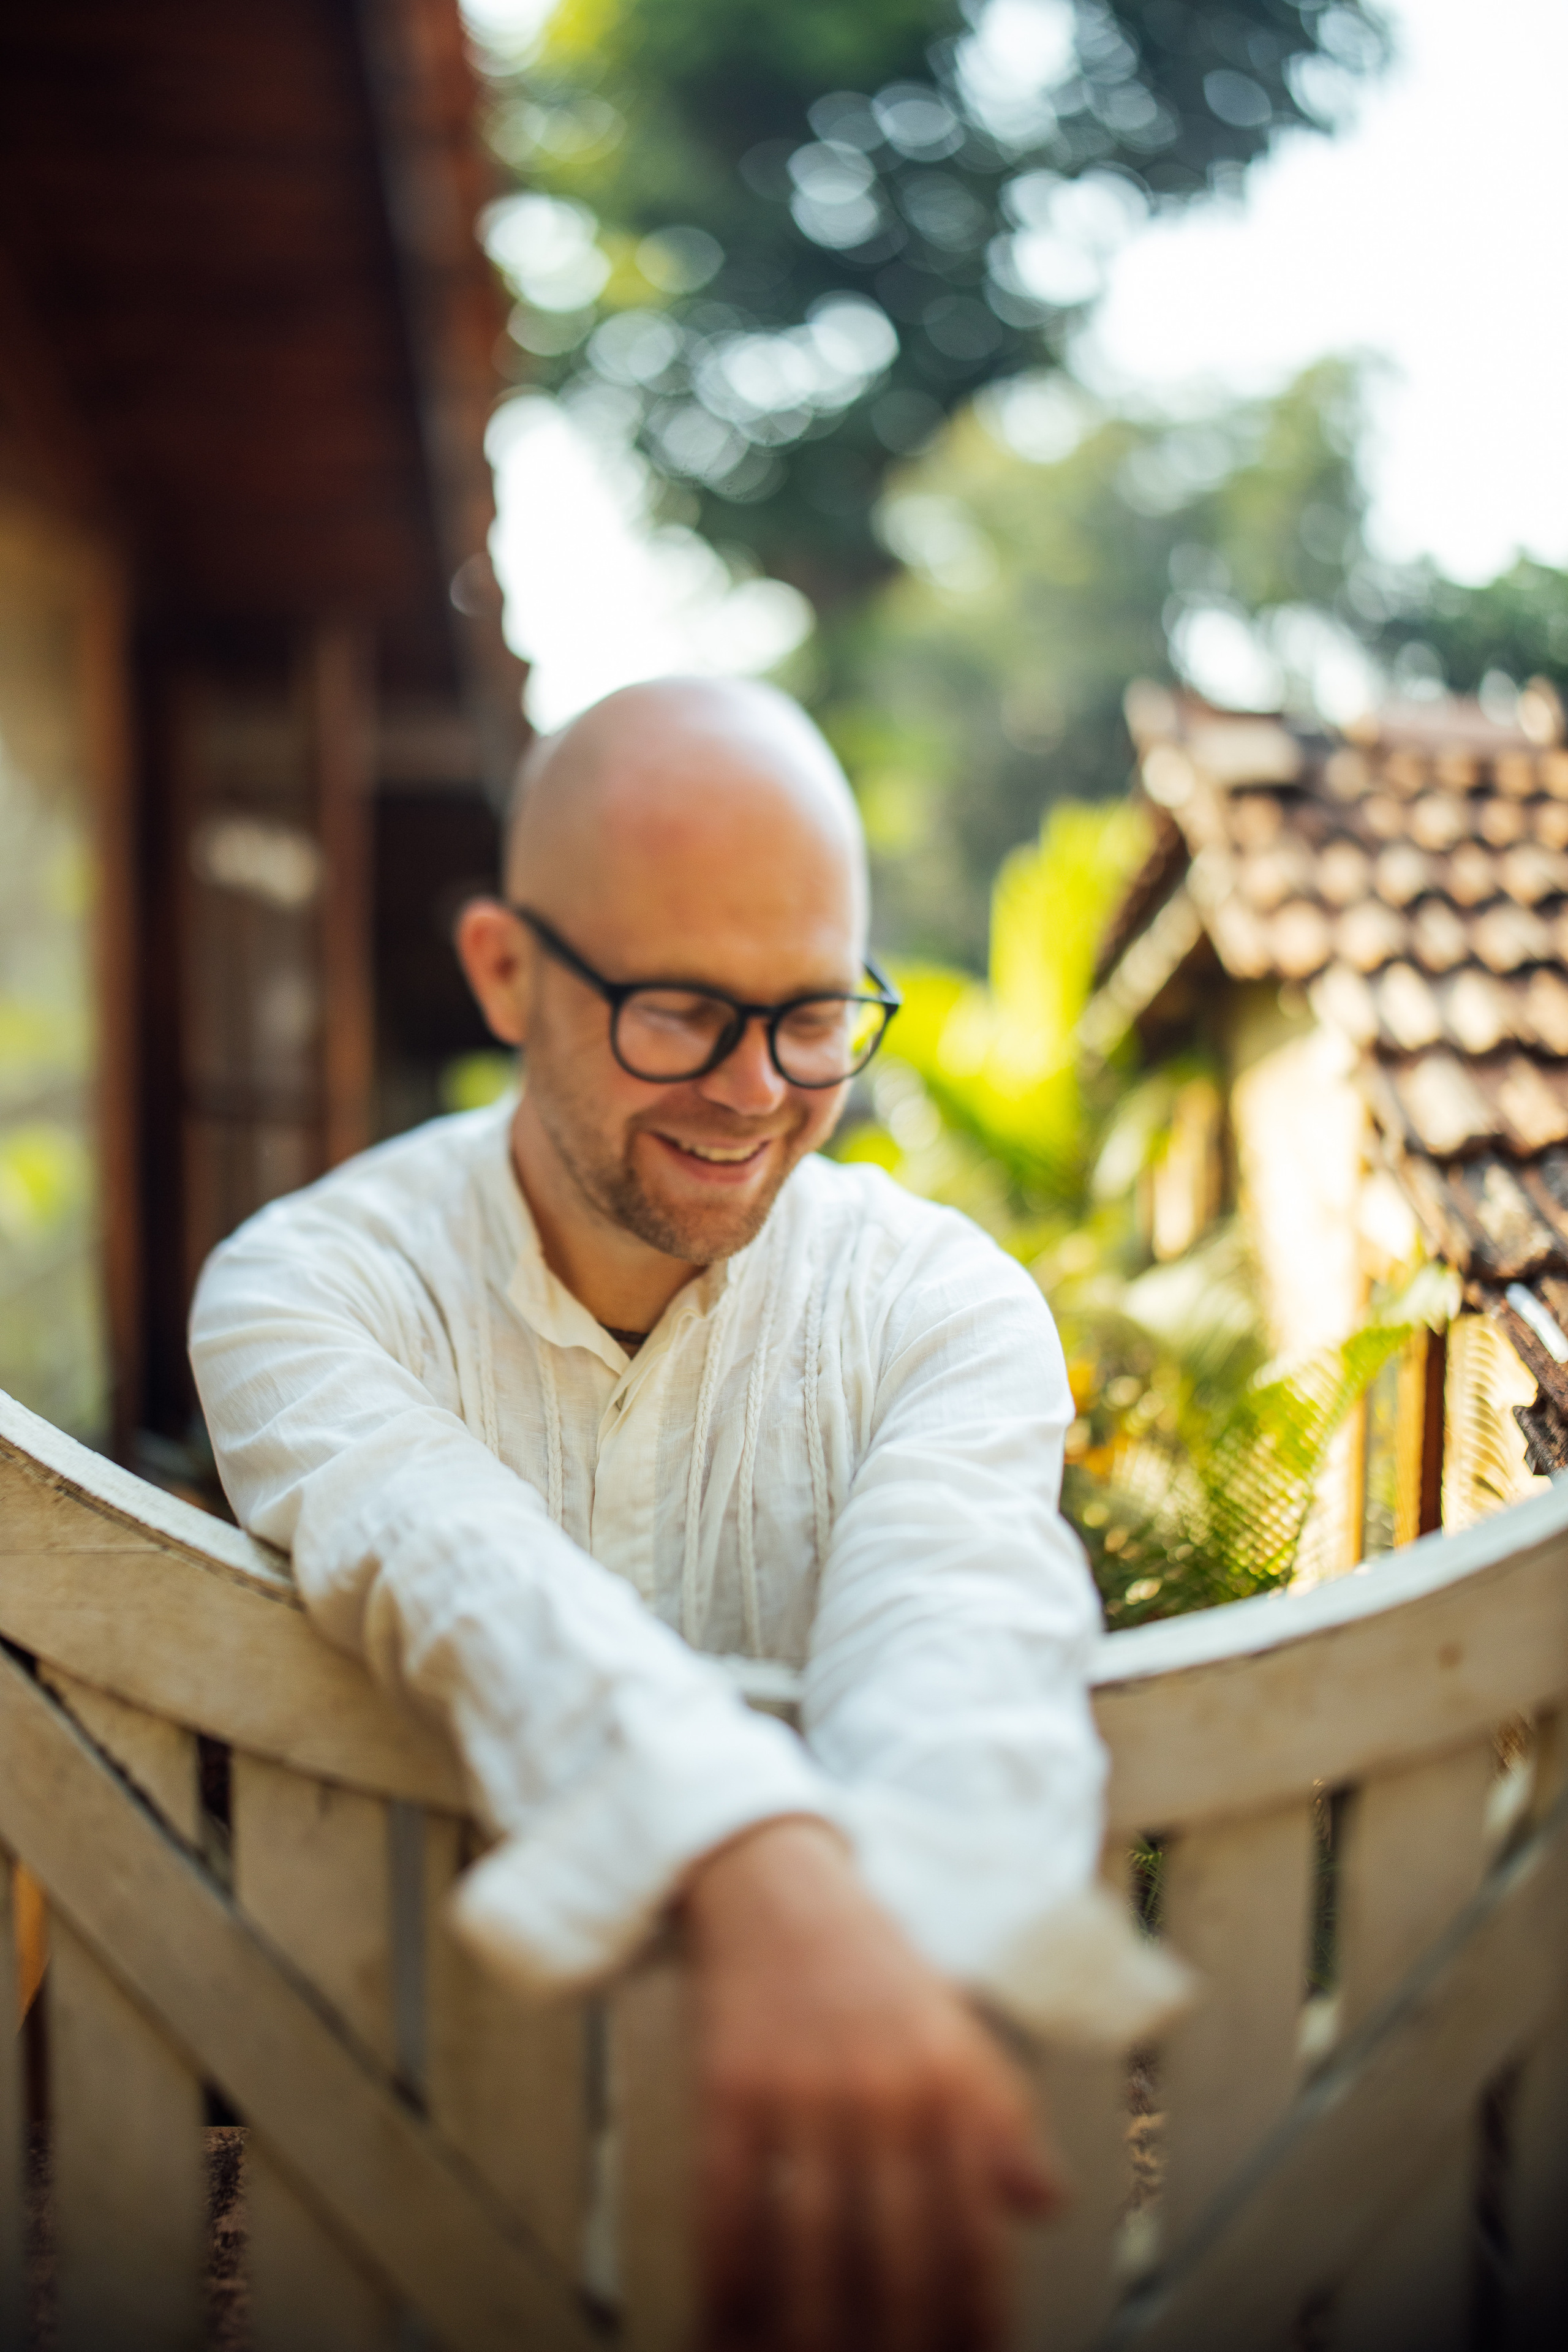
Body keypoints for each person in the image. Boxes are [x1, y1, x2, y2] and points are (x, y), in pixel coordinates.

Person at [190, 676, 1161, 2352]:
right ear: (503, 969)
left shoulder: (946, 1312)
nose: (753, 1092)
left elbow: (962, 1639)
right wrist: (766, 1866)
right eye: (675, 1012)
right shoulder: (309, 1291)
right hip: (408, 2241)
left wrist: (875, 1973)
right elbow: (449, 1554)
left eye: (809, 1014)